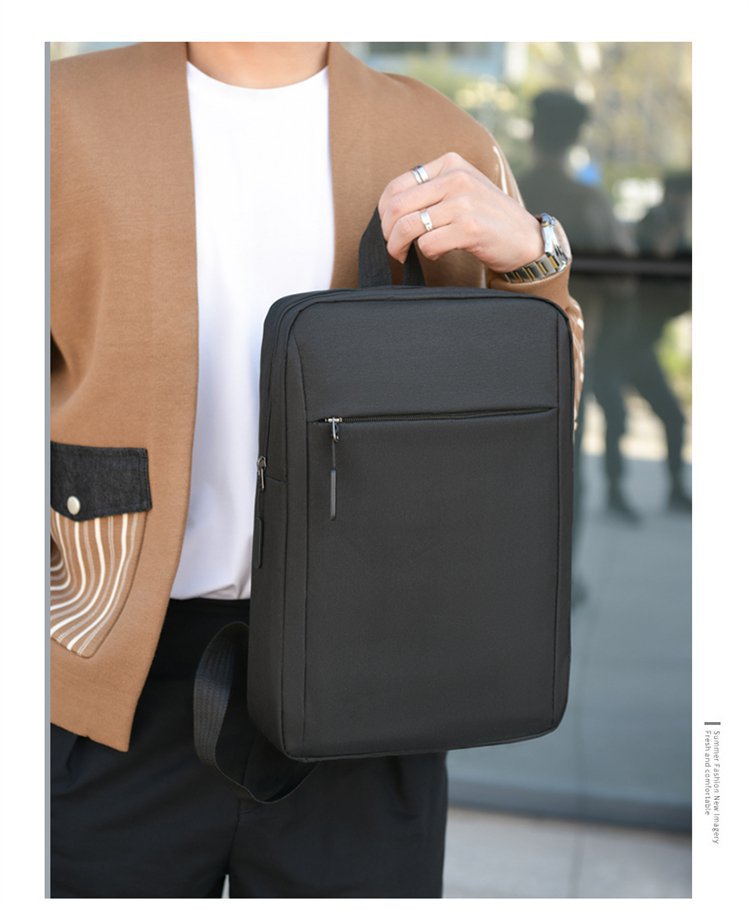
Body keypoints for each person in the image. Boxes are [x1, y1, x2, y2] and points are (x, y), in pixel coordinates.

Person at [49, 41, 585, 898]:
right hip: (105, 673)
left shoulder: (437, 134)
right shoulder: (57, 116)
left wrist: (535, 255)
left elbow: (544, 415)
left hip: (377, 676)